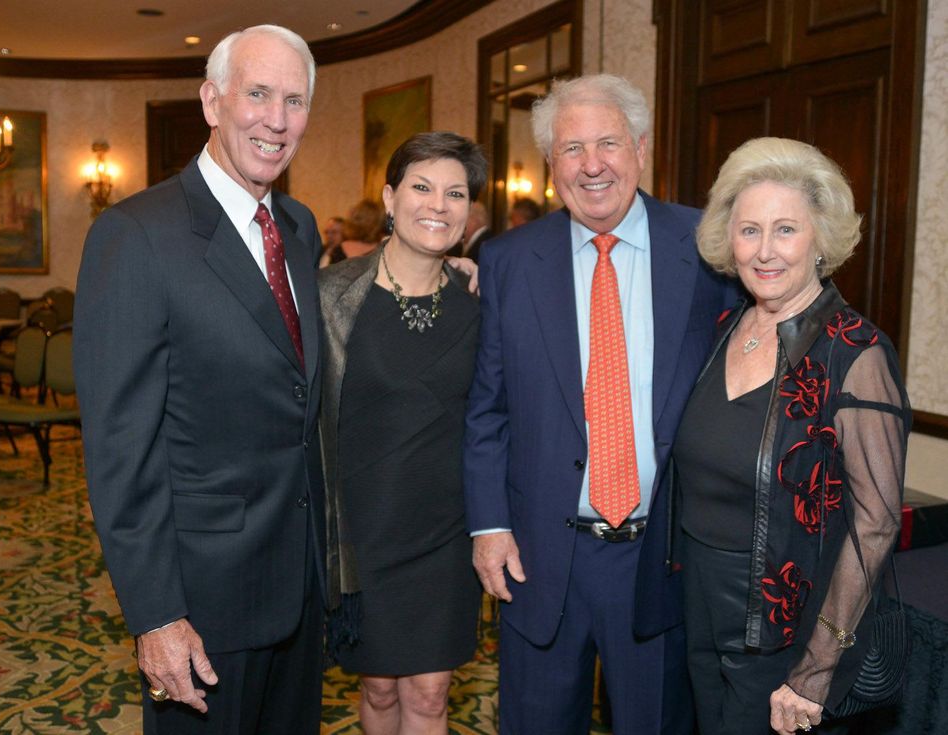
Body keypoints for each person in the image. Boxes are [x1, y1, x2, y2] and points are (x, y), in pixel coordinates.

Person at [463, 73, 737, 734]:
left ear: (641, 148)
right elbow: (487, 411)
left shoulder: (709, 249)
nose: (592, 165)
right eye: (572, 148)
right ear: (550, 164)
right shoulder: (507, 261)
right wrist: (489, 525)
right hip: (539, 556)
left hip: (663, 555)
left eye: (608, 143)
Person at [73, 25, 326, 734]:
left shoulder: (299, 228)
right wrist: (155, 613)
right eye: (258, 94)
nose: (277, 120)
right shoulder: (135, 235)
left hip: (300, 585)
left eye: (295, 101)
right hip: (201, 603)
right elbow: (120, 450)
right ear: (212, 102)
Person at [673, 137, 910, 735]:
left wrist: (817, 667)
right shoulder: (727, 327)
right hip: (698, 605)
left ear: (820, 239)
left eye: (785, 230)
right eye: (749, 230)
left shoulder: (854, 352)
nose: (765, 250)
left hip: (784, 628)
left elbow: (877, 522)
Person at [318, 131, 487, 733]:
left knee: (429, 694)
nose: (438, 205)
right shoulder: (331, 296)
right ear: (390, 198)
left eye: (455, 193)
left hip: (445, 534)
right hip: (362, 529)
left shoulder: (480, 299)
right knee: (381, 689)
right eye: (421, 187)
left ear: (469, 210)